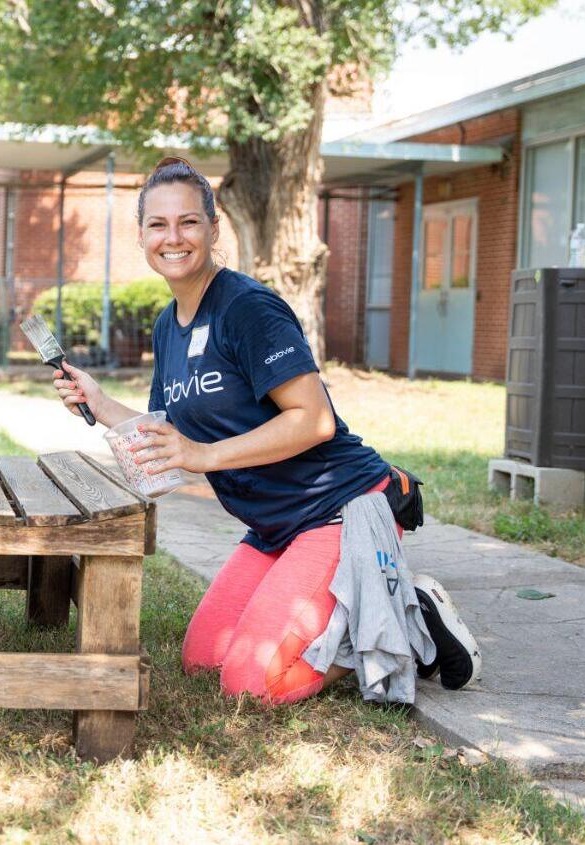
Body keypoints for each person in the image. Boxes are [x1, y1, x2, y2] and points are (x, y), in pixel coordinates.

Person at [51, 158, 480, 705]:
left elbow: (315, 420)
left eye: (188, 222)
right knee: (205, 661)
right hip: (274, 527)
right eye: (158, 225)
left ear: (213, 227)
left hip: (339, 509)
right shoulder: (168, 326)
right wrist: (100, 402)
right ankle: (367, 610)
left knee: (253, 684)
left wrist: (204, 456)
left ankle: (408, 624)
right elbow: (168, 433)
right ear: (141, 236)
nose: (173, 237)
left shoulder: (248, 308)